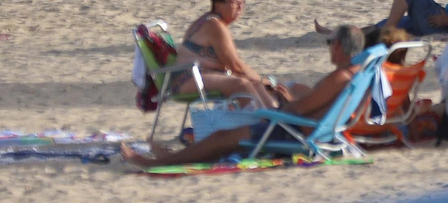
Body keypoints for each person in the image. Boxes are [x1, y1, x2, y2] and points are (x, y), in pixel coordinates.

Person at [123, 24, 368, 169]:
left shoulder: (340, 77)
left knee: (222, 138)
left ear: (339, 46)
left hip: (292, 131)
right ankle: (172, 157)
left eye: (330, 42)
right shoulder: (356, 74)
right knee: (225, 138)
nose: (329, 47)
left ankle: (155, 164)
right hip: (310, 130)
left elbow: (300, 110)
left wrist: (279, 107)